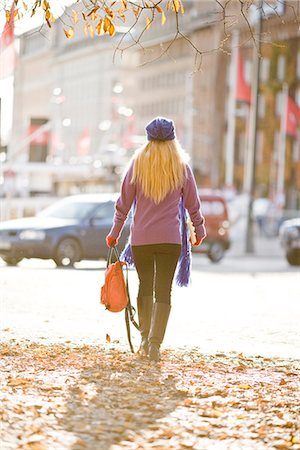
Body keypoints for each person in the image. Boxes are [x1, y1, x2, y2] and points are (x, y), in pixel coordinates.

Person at [106, 117, 206, 362]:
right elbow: (193, 205)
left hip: (141, 239)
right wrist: (199, 231)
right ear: (172, 139)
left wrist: (115, 233)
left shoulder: (137, 164)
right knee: (163, 290)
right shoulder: (180, 166)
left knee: (144, 286)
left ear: (148, 138)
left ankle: (143, 338)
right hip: (170, 240)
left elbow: (123, 205)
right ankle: (154, 345)